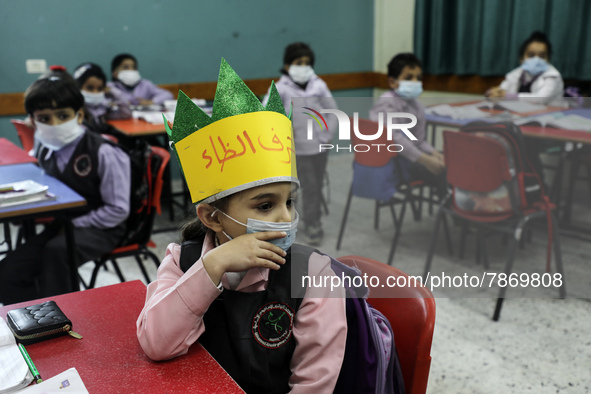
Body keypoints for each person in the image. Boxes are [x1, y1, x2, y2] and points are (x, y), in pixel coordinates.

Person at [137, 59, 347, 393]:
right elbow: (156, 344)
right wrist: (213, 265)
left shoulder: (313, 274)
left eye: (289, 201)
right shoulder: (182, 259)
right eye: (265, 205)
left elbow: (315, 383)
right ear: (211, 217)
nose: (285, 217)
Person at [0, 67, 131, 304]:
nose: (54, 124)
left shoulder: (104, 151)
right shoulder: (43, 146)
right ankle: (32, 319)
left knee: (57, 253)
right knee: (8, 272)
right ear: (33, 121)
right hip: (62, 223)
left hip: (104, 227)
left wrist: (73, 224)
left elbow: (118, 210)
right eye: (44, 119)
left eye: (63, 115)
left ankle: (62, 317)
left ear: (79, 115)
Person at [263, 42, 338, 246]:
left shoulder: (319, 85)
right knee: (307, 187)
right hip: (296, 151)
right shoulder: (280, 89)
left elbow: (333, 112)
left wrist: (326, 136)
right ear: (287, 66)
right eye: (298, 62)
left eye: (307, 63)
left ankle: (311, 218)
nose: (303, 66)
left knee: (316, 184)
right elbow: (267, 116)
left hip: (320, 147)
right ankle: (311, 223)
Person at [369, 53, 447, 199]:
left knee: (452, 159)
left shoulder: (417, 106)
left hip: (408, 158)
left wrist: (433, 152)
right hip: (391, 164)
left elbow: (418, 141)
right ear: (393, 82)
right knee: (446, 169)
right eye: (408, 77)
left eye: (418, 78)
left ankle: (452, 202)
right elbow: (395, 140)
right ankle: (452, 207)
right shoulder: (386, 103)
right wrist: (426, 160)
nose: (415, 82)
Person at [486, 31, 565, 106]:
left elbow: (540, 99)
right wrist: (493, 93)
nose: (536, 60)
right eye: (531, 55)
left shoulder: (553, 76)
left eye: (542, 56)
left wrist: (508, 96)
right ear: (521, 58)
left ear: (548, 59)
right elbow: (503, 89)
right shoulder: (516, 73)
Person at [107, 53, 174, 106]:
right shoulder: (110, 87)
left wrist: (151, 102)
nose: (131, 70)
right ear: (115, 73)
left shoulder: (145, 84)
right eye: (126, 67)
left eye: (134, 67)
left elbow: (168, 95)